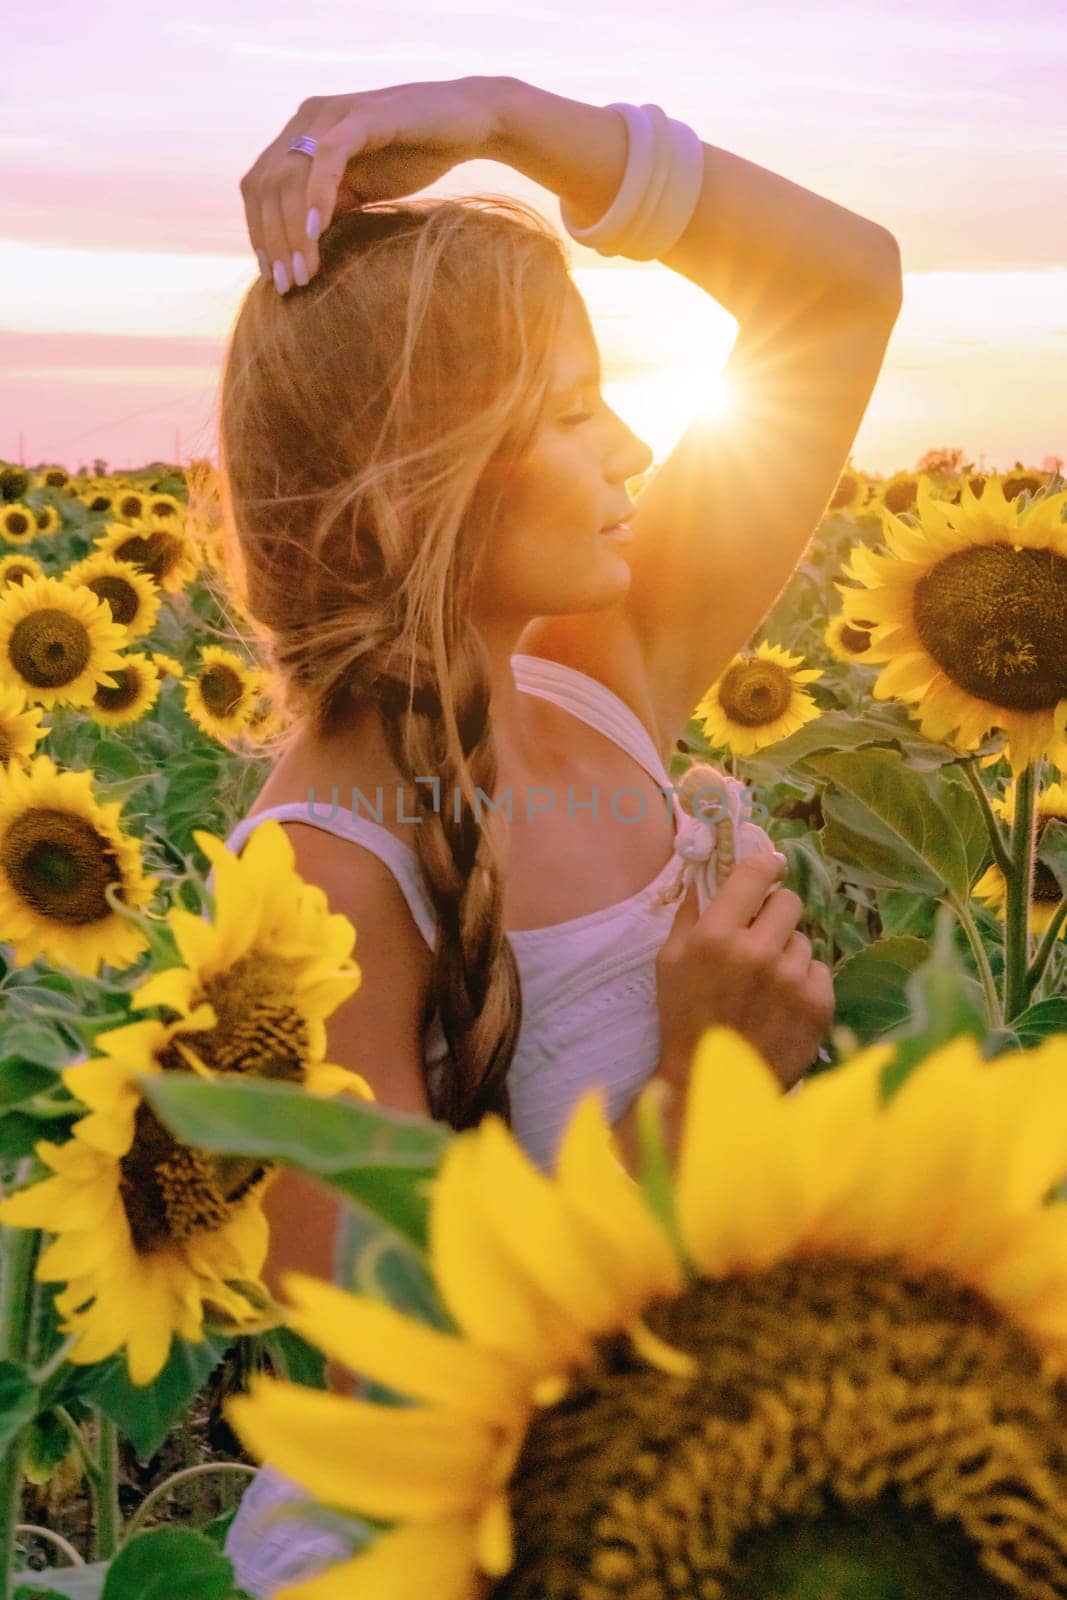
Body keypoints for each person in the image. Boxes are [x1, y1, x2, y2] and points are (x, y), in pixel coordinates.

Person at [215, 73, 902, 1594]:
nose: (639, 454)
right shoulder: (314, 874)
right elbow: (394, 1404)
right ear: (424, 476)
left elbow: (846, 287)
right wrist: (695, 1093)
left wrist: (505, 121)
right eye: (579, 410)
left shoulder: (597, 681)